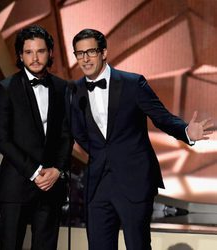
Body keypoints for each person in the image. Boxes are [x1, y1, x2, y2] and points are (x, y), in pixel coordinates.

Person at [70, 28, 214, 250]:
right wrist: (102, 155)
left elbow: (161, 118)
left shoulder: (132, 83)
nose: (85, 58)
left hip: (133, 180)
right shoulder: (74, 91)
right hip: (98, 184)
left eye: (90, 51)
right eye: (79, 53)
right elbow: (79, 133)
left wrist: (186, 131)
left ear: (104, 52)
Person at [0, 25, 71, 250]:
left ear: (50, 53)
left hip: (51, 186)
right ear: (20, 55)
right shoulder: (6, 88)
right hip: (16, 185)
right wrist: (35, 172)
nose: (35, 58)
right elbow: (1, 139)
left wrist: (57, 170)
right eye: (28, 52)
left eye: (41, 51)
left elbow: (67, 134)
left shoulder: (62, 87)